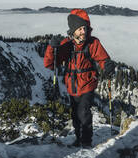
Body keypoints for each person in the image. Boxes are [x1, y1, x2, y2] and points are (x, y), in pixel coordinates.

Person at [43, 9, 115, 148]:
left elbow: (102, 58)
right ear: (73, 30)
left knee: (84, 113)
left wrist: (107, 65)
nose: (83, 31)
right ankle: (78, 138)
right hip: (72, 86)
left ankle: (86, 141)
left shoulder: (92, 43)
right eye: (80, 29)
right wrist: (52, 48)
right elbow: (50, 64)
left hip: (87, 83)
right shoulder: (66, 45)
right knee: (75, 115)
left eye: (85, 28)